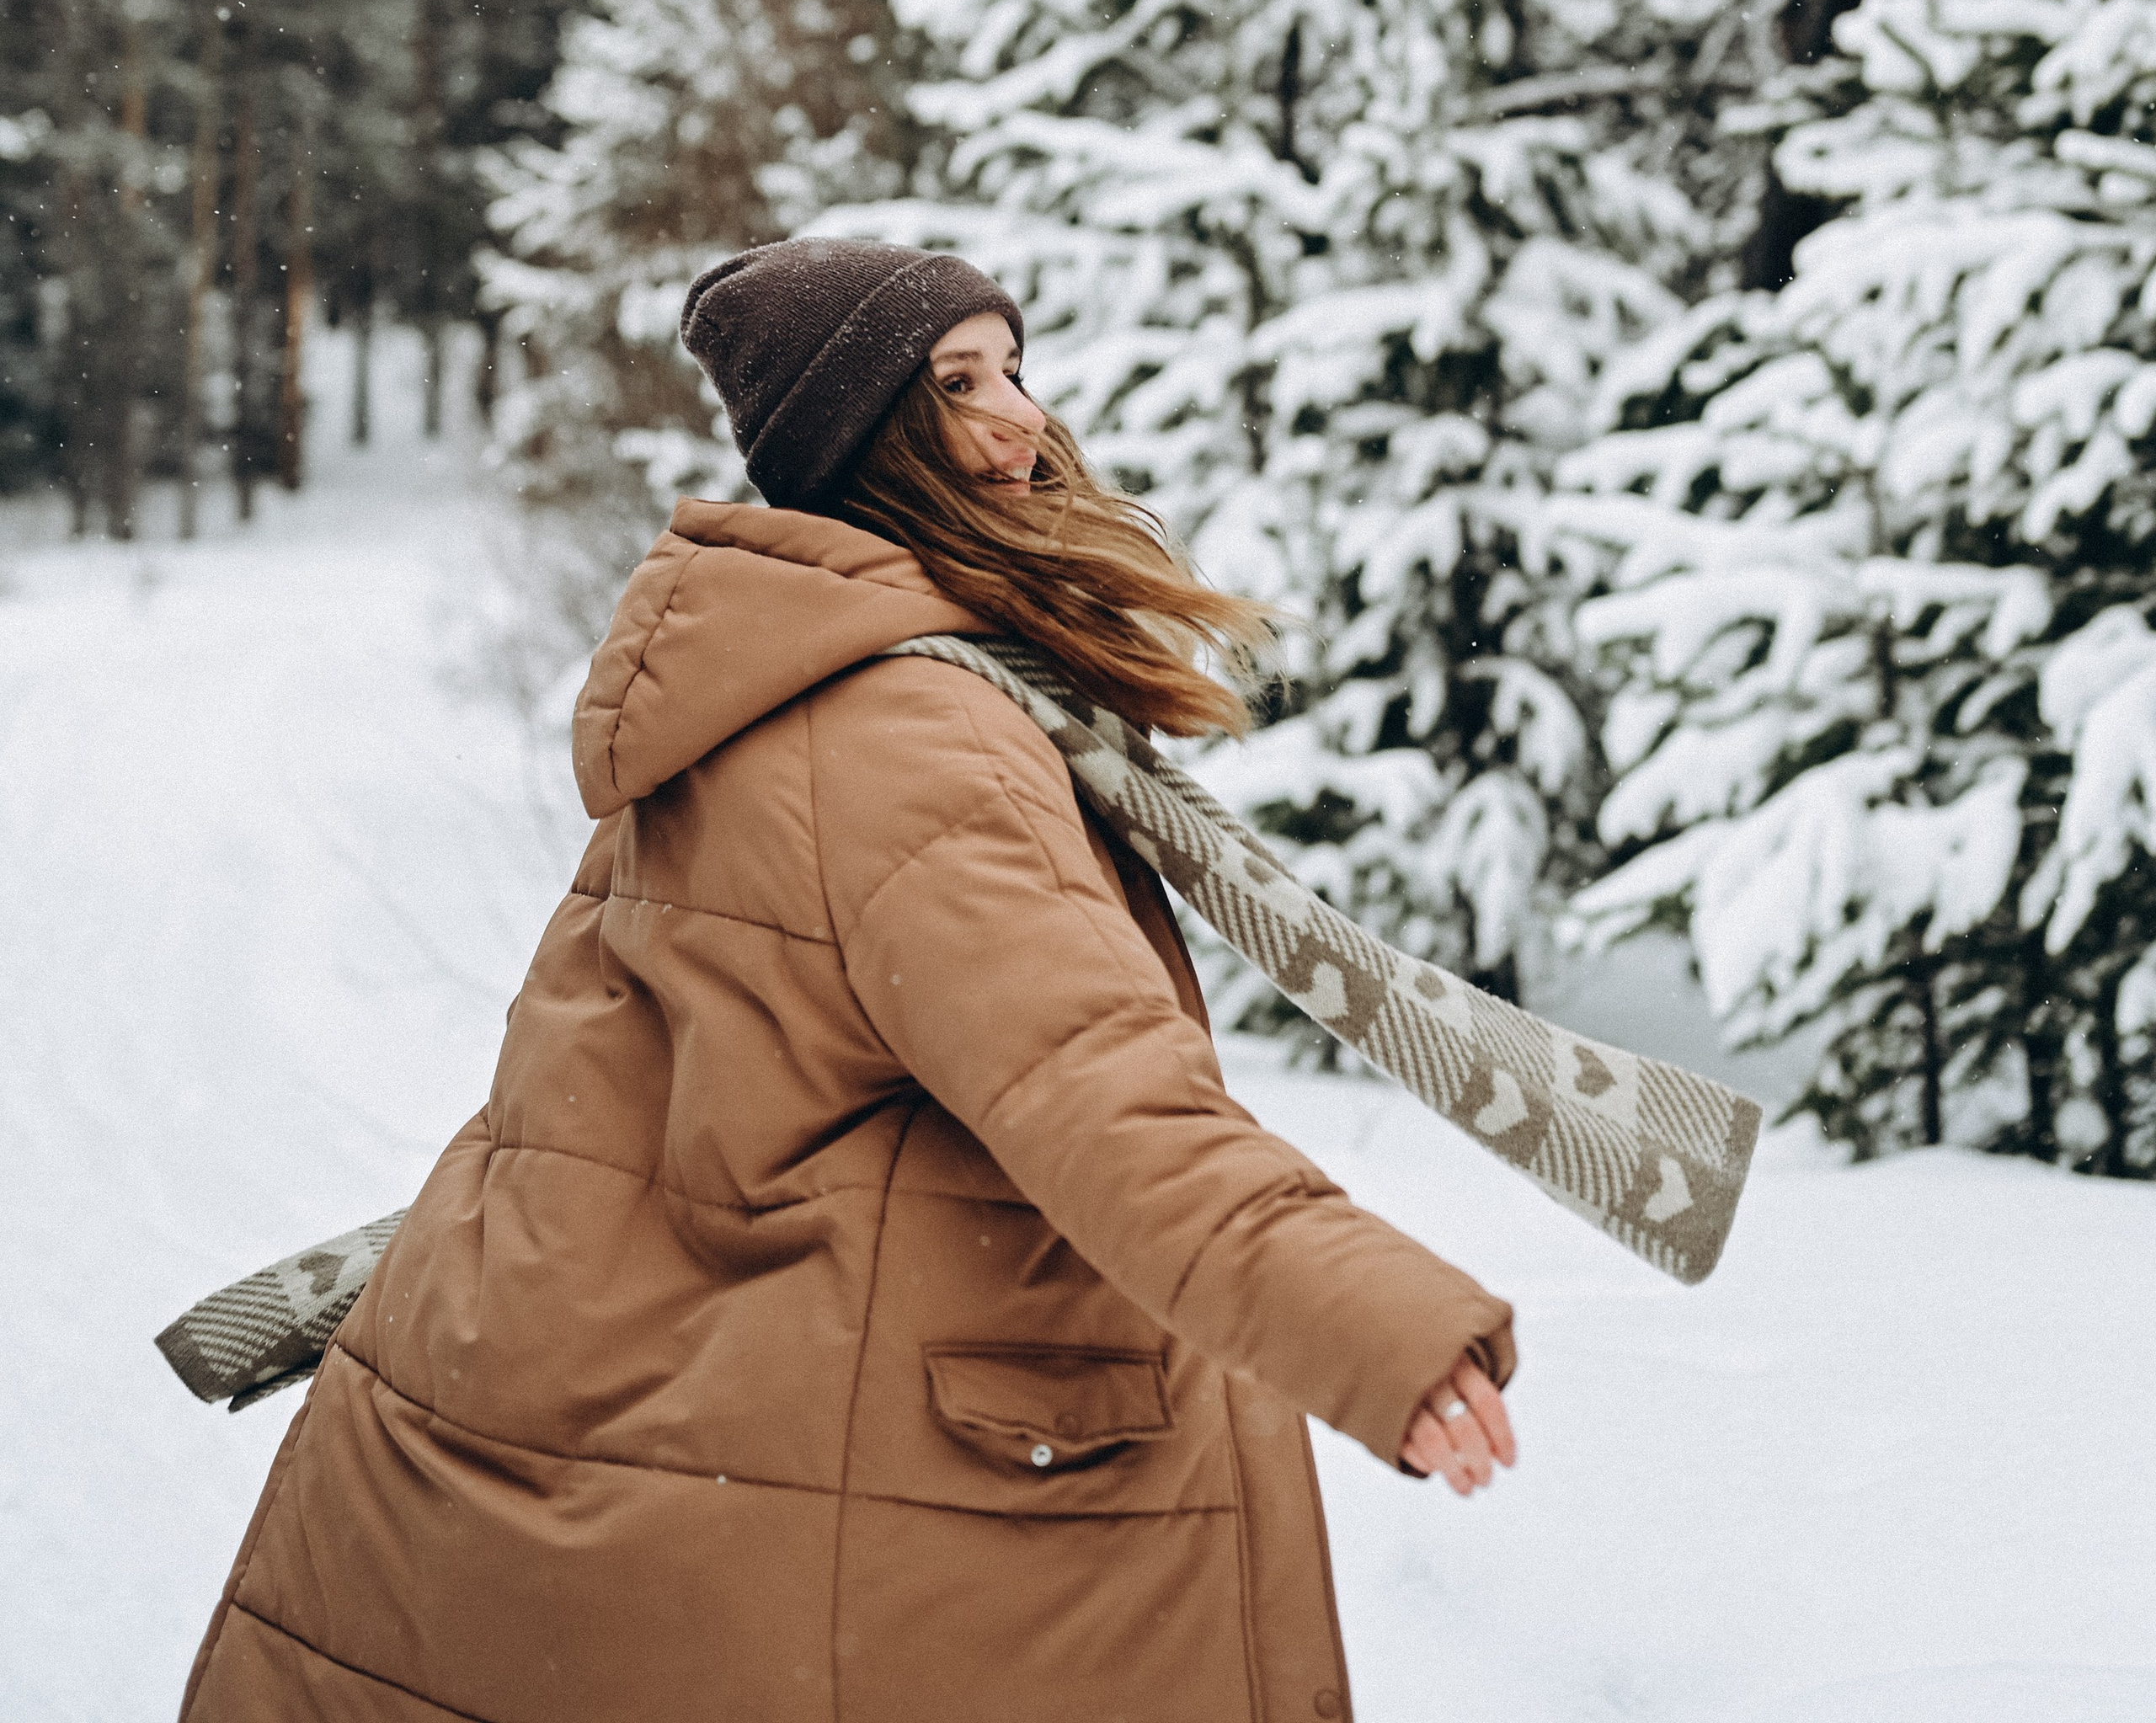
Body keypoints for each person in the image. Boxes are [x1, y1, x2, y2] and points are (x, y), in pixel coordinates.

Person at [181, 237, 1518, 1723]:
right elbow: (1090, 1082)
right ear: (866, 437)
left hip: (633, 1389)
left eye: (1015, 369)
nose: (1021, 417)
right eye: (959, 383)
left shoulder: (769, 674)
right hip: (820, 1444)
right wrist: (1370, 1322)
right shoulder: (901, 731)